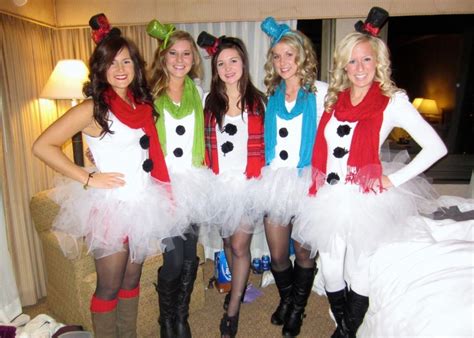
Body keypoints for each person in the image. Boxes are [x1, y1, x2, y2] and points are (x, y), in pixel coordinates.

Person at [292, 7, 448, 338]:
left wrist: (391, 179)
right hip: (329, 195)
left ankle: (345, 332)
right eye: (352, 61)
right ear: (343, 65)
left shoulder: (393, 102)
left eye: (366, 60)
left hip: (366, 197)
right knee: (332, 271)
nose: (359, 68)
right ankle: (346, 326)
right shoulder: (334, 99)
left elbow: (437, 148)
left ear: (378, 61)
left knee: (358, 269)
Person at [32, 14, 182, 338]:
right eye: (111, 63)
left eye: (126, 61)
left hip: (142, 204)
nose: (120, 69)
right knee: (109, 286)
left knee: (131, 280)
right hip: (111, 208)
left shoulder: (141, 104)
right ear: (100, 68)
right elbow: (43, 146)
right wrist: (88, 177)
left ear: (136, 66)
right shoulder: (92, 108)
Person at [259, 17, 329, 337]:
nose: (283, 62)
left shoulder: (322, 93)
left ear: (303, 56)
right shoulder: (271, 94)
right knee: (277, 254)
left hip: (307, 182)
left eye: (289, 55)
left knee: (303, 252)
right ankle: (287, 299)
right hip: (275, 180)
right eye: (277, 56)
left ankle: (297, 311)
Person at [197, 32, 267, 338]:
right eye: (221, 63)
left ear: (244, 63)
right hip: (217, 185)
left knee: (240, 246)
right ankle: (236, 286)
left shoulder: (259, 101)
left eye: (233, 61)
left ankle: (233, 309)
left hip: (248, 185)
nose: (228, 68)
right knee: (227, 242)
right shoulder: (208, 102)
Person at [147, 20, 209, 338]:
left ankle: (180, 318)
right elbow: (134, 131)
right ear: (163, 56)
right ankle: (165, 319)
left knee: (189, 257)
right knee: (172, 262)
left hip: (194, 183)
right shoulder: (149, 94)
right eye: (174, 53)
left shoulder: (197, 92)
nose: (180, 59)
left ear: (193, 59)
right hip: (163, 185)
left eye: (187, 53)